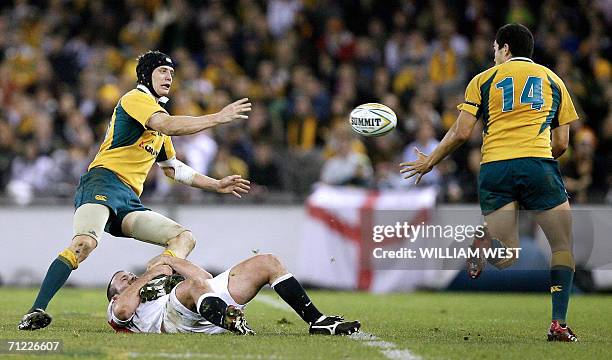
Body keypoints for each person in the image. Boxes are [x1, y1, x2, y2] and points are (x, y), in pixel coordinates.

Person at [19, 50, 252, 331]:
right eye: (162, 71)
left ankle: (150, 283)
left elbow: (174, 168)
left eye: (172, 73)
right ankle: (36, 309)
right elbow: (167, 124)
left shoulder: (158, 119)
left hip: (129, 200)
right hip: (103, 182)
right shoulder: (135, 99)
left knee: (183, 238)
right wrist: (218, 117)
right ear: (146, 75)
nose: (169, 77)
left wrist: (215, 184)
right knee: (84, 244)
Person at [400, 24, 579, 342]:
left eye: (495, 47)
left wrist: (429, 161)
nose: (493, 53)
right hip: (537, 163)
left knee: (509, 253)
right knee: (562, 246)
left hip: (494, 167)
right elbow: (562, 143)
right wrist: (534, 168)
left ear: (506, 49)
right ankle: (558, 325)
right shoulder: (554, 80)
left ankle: (488, 240)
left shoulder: (482, 80)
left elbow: (462, 132)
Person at [106, 253, 361, 335]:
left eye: (127, 274)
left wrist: (168, 259)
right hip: (172, 321)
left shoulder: (158, 282)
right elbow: (123, 312)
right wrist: (148, 276)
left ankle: (317, 321)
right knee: (191, 286)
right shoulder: (121, 302)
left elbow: (205, 278)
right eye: (121, 279)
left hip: (205, 309)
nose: (127, 277)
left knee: (267, 262)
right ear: (113, 294)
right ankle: (229, 319)